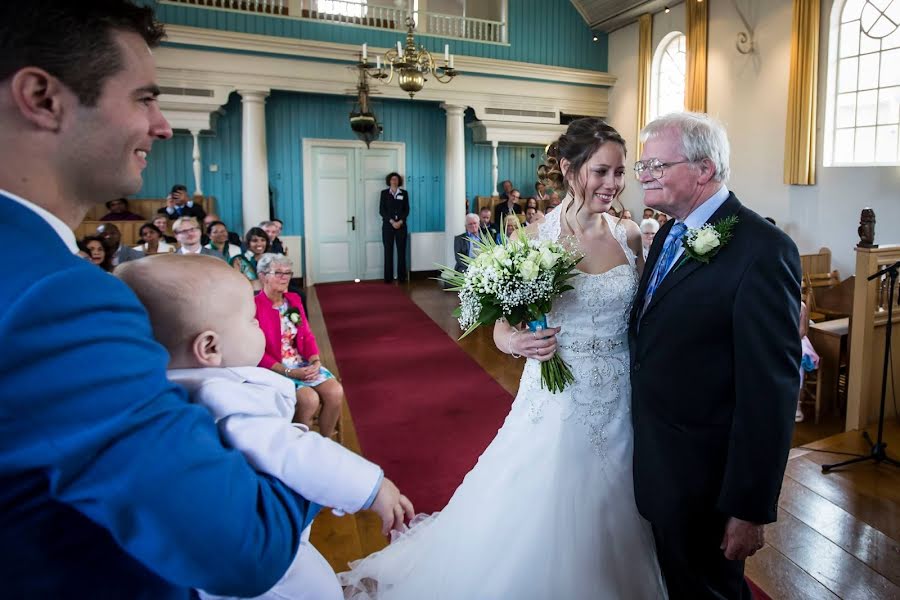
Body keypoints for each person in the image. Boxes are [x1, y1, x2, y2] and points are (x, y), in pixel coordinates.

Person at [0, 1, 343, 596]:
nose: (161, 125)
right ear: (43, 97)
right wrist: (295, 453)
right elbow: (243, 543)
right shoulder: (54, 297)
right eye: (143, 98)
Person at [340, 118, 666, 599]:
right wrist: (515, 343)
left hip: (620, 393)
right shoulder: (532, 238)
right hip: (558, 394)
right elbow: (498, 325)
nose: (613, 184)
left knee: (620, 499)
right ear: (568, 168)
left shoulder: (631, 235)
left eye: (620, 173)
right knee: (550, 500)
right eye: (601, 171)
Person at [117, 254, 414, 600]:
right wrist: (372, 487)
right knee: (318, 589)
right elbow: (291, 452)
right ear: (210, 347)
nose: (259, 324)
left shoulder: (165, 389)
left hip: (202, 549)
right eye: (251, 321)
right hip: (266, 554)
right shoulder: (225, 397)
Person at [630, 112, 800, 599]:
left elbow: (770, 390)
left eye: (656, 166)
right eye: (643, 165)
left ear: (703, 170)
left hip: (708, 482)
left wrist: (749, 506)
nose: (644, 175)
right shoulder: (668, 233)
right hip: (661, 465)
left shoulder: (762, 250)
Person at [255, 253, 345, 439]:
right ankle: (299, 447)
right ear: (263, 276)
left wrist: (315, 360)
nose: (285, 277)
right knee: (309, 400)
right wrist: (288, 372)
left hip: (300, 362)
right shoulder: (254, 306)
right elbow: (256, 351)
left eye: (288, 273)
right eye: (278, 272)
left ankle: (324, 442)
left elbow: (306, 334)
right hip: (274, 368)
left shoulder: (293, 300)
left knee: (335, 392)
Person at [379, 172, 409, 283]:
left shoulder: (404, 193)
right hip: (388, 226)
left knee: (401, 252)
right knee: (388, 251)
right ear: (389, 181)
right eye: (392, 179)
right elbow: (382, 211)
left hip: (401, 226)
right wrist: (392, 222)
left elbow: (407, 210)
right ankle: (388, 278)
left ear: (399, 181)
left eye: (396, 179)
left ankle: (402, 277)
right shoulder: (384, 193)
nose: (394, 181)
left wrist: (400, 221)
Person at [232, 226, 270, 292]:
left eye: (263, 240)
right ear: (248, 243)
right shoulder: (239, 260)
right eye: (255, 241)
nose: (259, 244)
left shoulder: (271, 260)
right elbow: (237, 283)